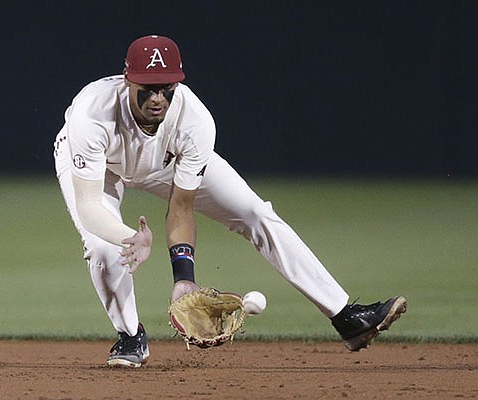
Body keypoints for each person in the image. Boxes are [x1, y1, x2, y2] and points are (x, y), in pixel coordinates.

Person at [53, 34, 406, 368]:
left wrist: (184, 279)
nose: (158, 98)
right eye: (148, 88)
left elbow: (181, 207)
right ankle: (131, 336)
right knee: (102, 247)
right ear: (128, 80)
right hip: (101, 167)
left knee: (255, 213)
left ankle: (346, 317)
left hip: (165, 160)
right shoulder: (92, 115)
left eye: (167, 88)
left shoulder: (194, 121)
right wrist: (129, 237)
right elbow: (89, 207)